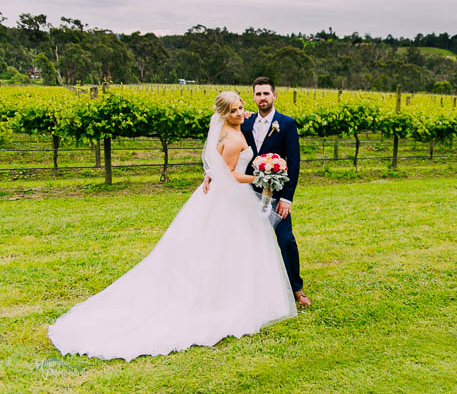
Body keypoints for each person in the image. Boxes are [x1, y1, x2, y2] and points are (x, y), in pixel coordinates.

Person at [48, 92, 296, 362]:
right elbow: (229, 173)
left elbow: (219, 154)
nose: (241, 113)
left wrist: (239, 122)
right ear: (225, 114)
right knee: (229, 247)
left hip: (219, 198)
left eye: (242, 108)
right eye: (235, 110)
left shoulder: (225, 129)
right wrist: (261, 175)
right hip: (232, 198)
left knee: (223, 247)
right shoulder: (234, 138)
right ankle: (226, 299)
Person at [204, 77, 311, 307]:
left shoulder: (287, 124)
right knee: (249, 243)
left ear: (274, 95)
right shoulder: (243, 121)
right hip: (245, 194)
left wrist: (286, 198)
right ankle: (254, 290)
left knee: (286, 240)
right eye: (258, 94)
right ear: (253, 96)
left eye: (266, 93)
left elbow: (294, 164)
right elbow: (222, 148)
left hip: (275, 196)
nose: (262, 98)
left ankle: (297, 289)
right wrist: (211, 171)